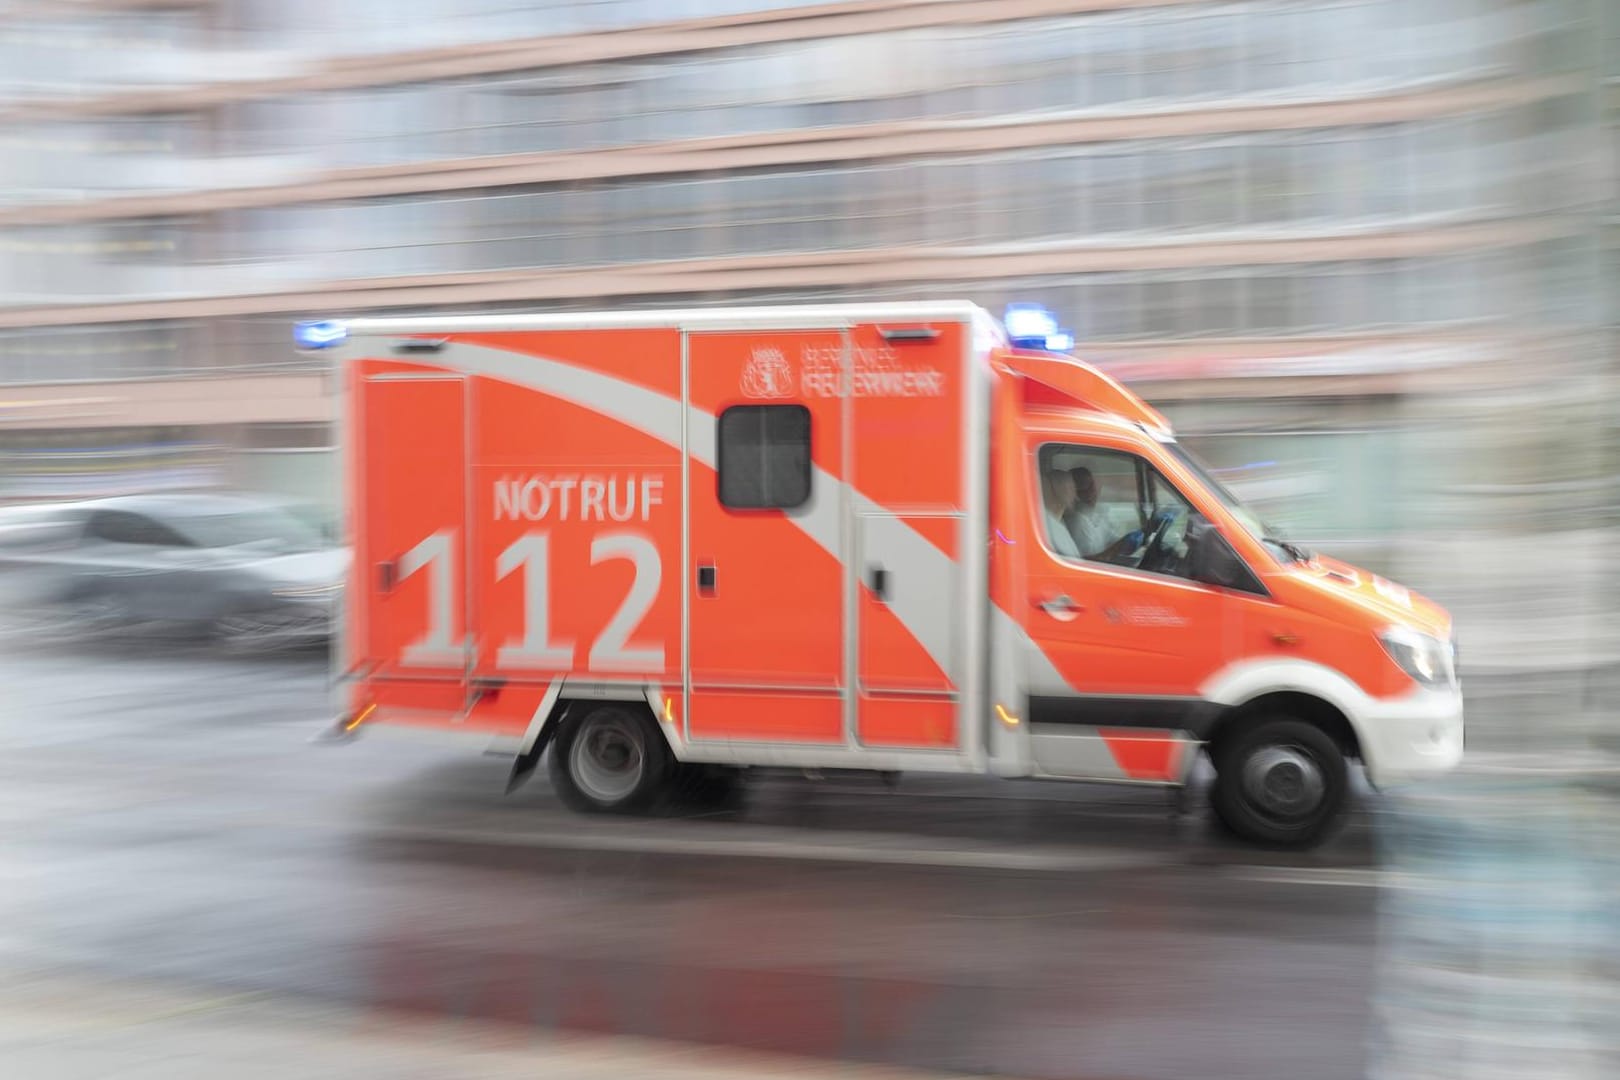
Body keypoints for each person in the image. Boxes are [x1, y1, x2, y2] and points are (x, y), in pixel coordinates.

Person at [1065, 466, 1143, 562]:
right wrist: (1121, 544)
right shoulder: (1077, 521)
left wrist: (1133, 539)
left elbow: (1111, 539)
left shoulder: (1096, 514)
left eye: (1092, 486)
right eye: (1084, 489)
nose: (1092, 492)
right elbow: (1090, 562)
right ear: (1074, 492)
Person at [1040, 469, 1083, 558]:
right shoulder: (1046, 526)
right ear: (1055, 489)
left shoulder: (1058, 522)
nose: (1075, 496)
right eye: (1070, 488)